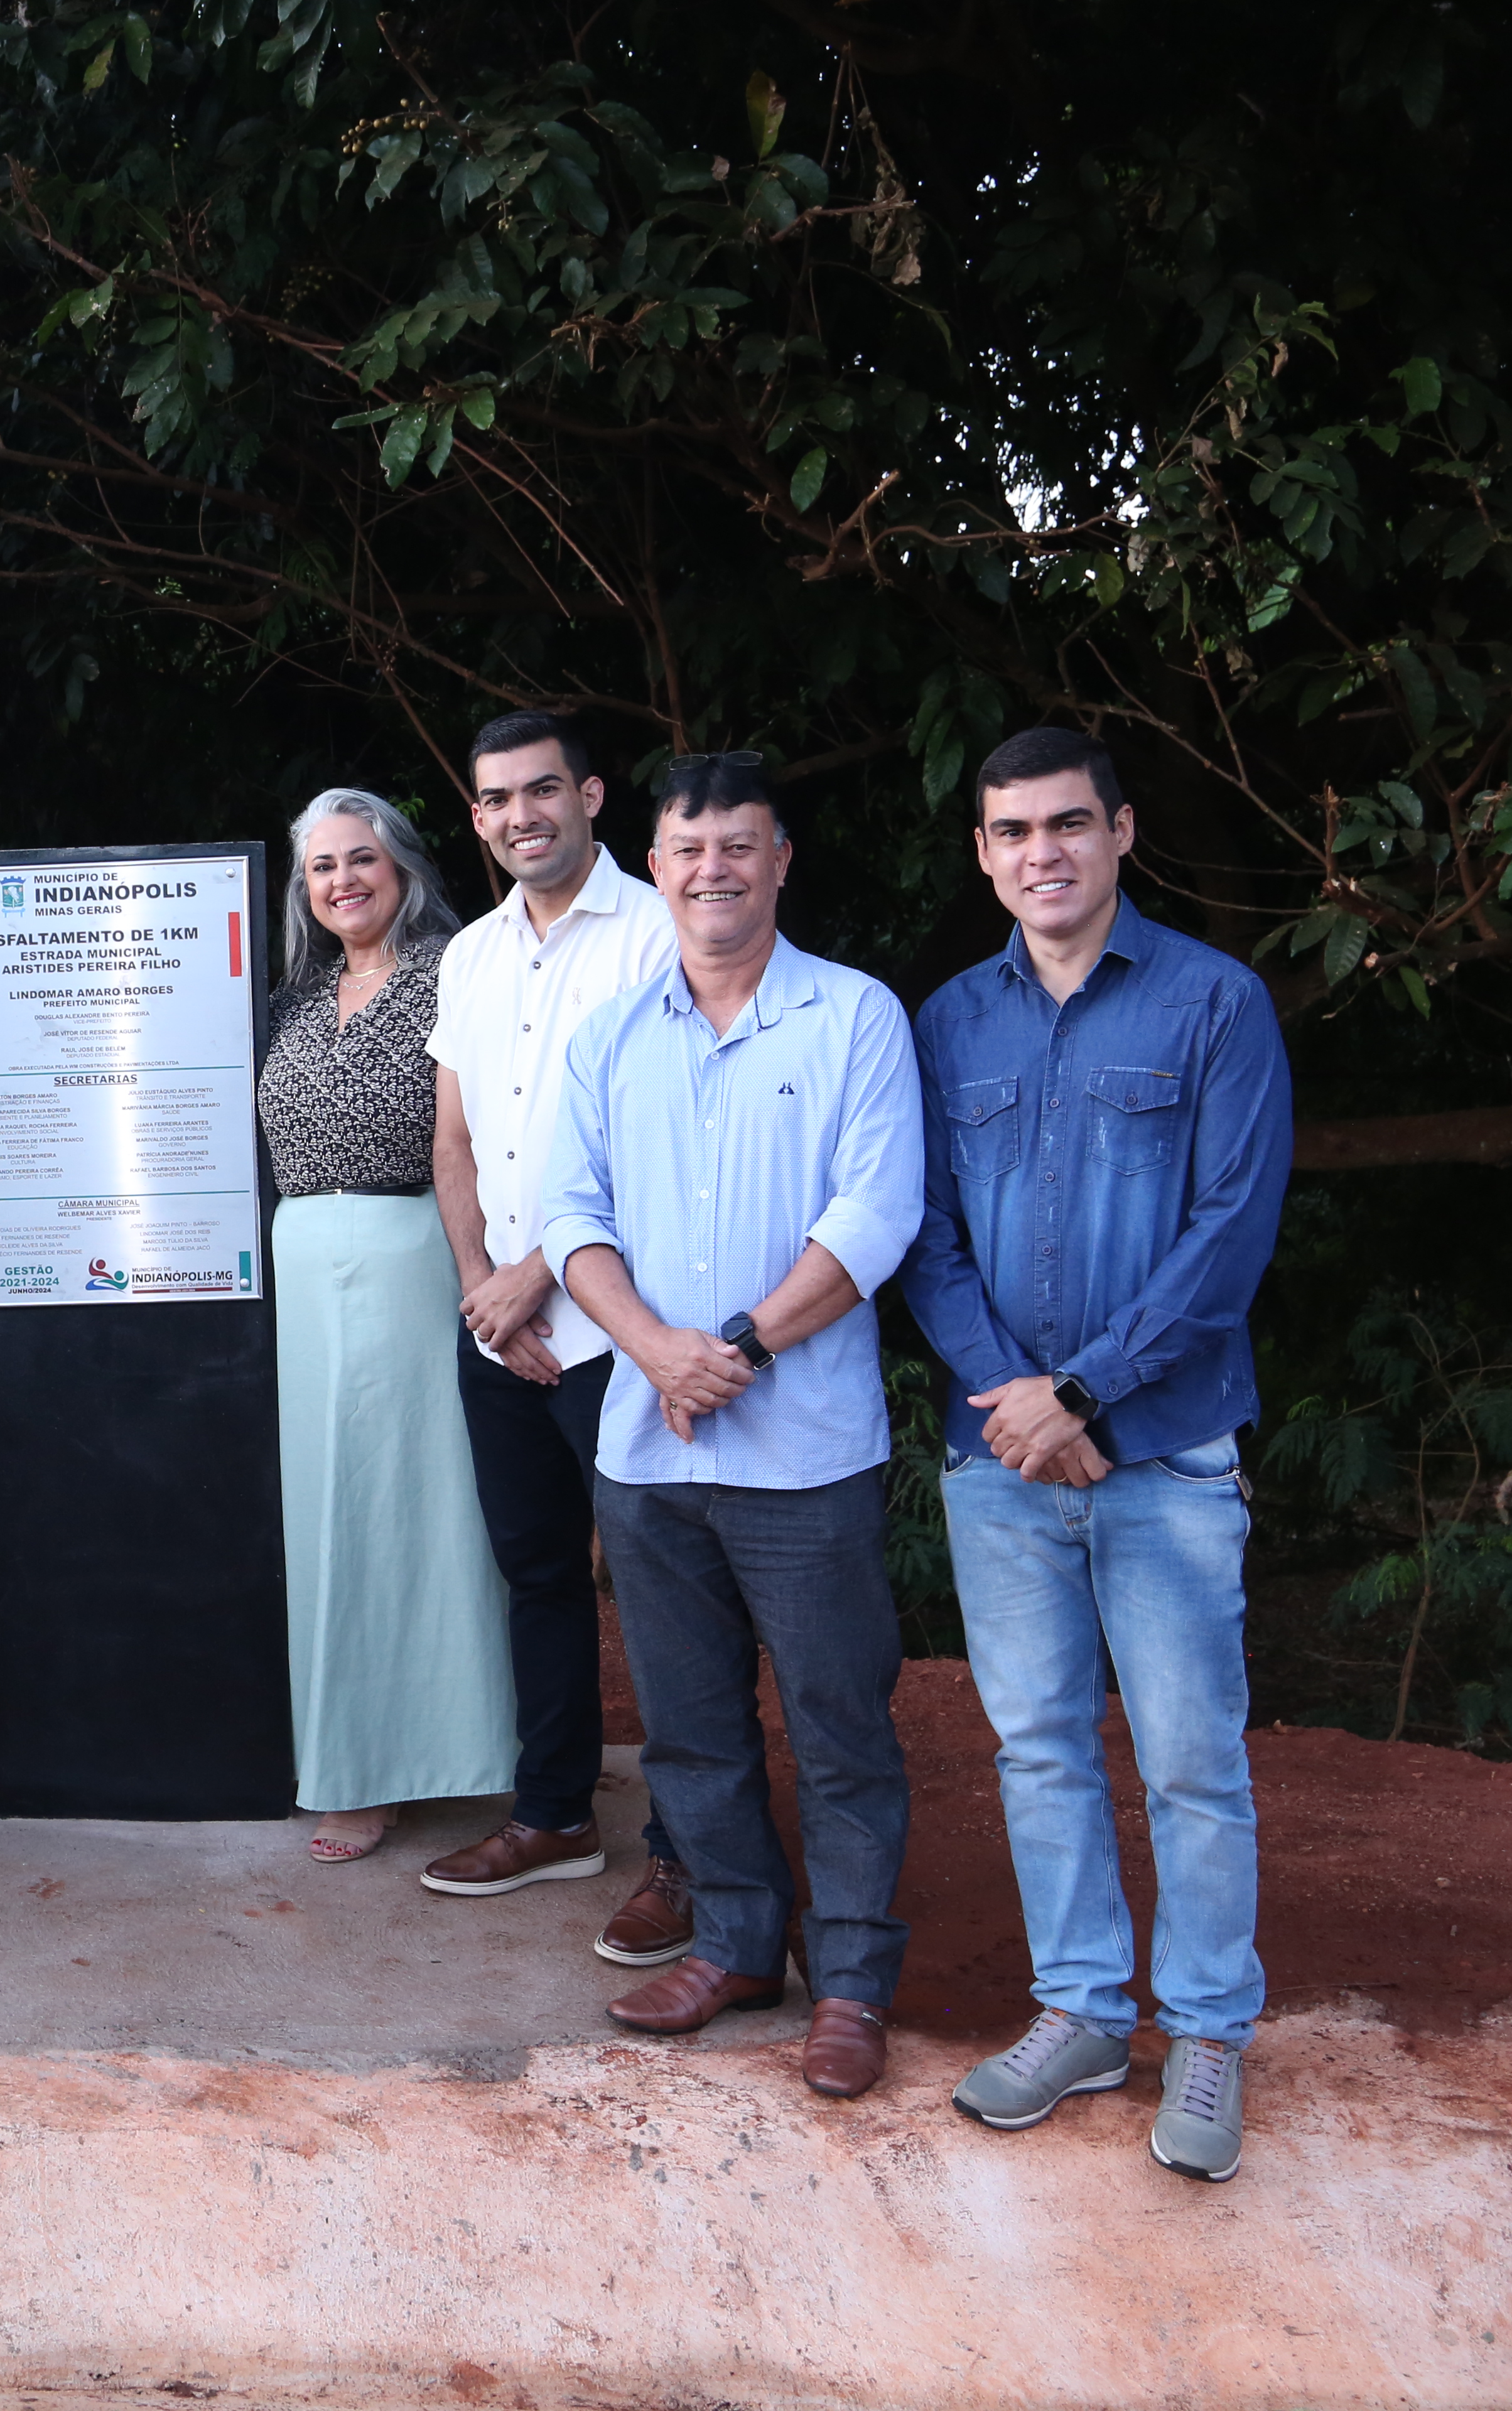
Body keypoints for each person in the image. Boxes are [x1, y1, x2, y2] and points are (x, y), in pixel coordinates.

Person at [900, 727, 1295, 2183]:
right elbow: (922, 1235)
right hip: (999, 1460)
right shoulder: (949, 1021)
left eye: (1067, 824)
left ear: (1120, 832)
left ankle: (1205, 2032)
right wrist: (1016, 1399)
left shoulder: (1213, 1001)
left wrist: (1081, 1394)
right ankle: (1078, 2009)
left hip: (1167, 1454)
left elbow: (1229, 1234)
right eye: (1011, 832)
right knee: (1040, 1748)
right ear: (983, 853)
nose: (1041, 853)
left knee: (1190, 1758)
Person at [536, 752, 925, 2102]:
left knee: (838, 1723)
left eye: (740, 846)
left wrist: (742, 1347)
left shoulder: (855, 1016)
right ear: (654, 866)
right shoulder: (609, 1036)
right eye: (690, 849)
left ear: (780, 860)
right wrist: (653, 1351)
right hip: (649, 1450)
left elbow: (876, 1216)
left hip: (804, 1450)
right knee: (691, 1726)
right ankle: (738, 1947)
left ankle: (854, 1981)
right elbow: (570, 1215)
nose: (715, 871)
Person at [423, 711, 690, 1945]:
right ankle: (554, 1813)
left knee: (667, 1591)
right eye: (497, 799)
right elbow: (455, 1138)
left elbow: (664, 1138)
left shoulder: (659, 932)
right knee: (536, 1574)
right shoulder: (470, 955)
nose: (520, 815)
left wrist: (539, 1276)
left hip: (619, 1329)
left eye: (542, 791)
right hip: (503, 1333)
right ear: (477, 818)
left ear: (590, 796)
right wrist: (482, 1282)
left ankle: (688, 1852)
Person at [253, 790, 509, 1860]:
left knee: (417, 1515)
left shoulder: (459, 971)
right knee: (327, 1521)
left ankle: (417, 1761)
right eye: (321, 867)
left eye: (361, 859)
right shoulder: (290, 1000)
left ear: (401, 866)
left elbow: (487, 1134)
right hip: (304, 1275)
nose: (342, 881)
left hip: (415, 1260)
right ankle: (347, 1754)